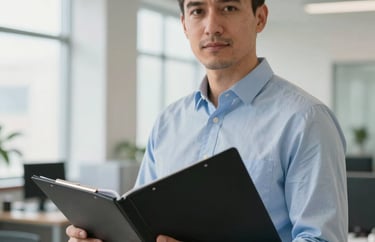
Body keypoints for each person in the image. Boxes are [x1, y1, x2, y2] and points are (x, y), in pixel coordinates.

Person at [67, 0, 348, 241]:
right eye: (198, 10)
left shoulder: (306, 120)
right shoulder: (168, 123)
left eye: (228, 7)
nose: (212, 26)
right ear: (184, 24)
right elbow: (144, 228)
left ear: (259, 18)